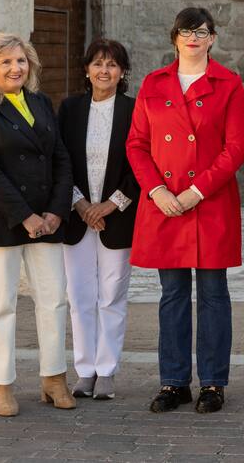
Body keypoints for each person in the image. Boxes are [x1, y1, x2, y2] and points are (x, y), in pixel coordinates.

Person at [127, 7, 244, 415]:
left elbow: (236, 147)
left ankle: (213, 382)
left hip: (209, 202)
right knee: (173, 294)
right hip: (165, 204)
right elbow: (137, 144)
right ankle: (174, 381)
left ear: (212, 38)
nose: (193, 38)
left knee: (213, 294)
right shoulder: (153, 83)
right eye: (186, 31)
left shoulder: (229, 83)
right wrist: (156, 189)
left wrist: (198, 191)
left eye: (201, 31)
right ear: (174, 37)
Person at [0, 33, 75, 417]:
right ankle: (2, 384)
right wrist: (25, 215)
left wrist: (56, 211)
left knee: (54, 299)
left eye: (20, 60)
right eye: (5, 62)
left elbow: (61, 159)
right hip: (1, 218)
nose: (15, 68)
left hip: (47, 219)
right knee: (1, 303)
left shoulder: (40, 102)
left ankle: (54, 378)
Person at [59, 38, 139, 402]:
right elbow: (60, 160)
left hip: (116, 218)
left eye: (112, 64)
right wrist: (80, 204)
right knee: (80, 296)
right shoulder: (70, 109)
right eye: (97, 63)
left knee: (111, 295)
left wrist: (109, 205)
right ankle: (84, 370)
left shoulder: (133, 110)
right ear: (86, 69)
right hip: (77, 217)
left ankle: (106, 370)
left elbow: (140, 164)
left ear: (122, 72)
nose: (104, 70)